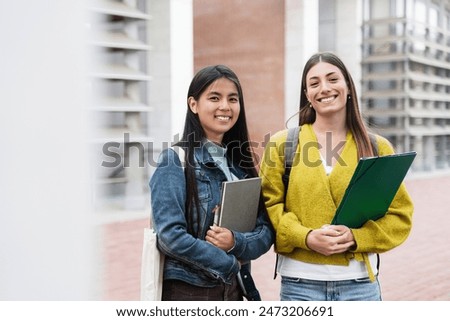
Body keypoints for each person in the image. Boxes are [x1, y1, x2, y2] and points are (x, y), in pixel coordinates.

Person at [259, 52, 414, 301]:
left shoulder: (377, 147)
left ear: (348, 87)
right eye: (314, 83)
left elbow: (400, 216)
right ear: (307, 95)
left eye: (333, 79)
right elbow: (268, 208)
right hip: (300, 285)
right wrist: (306, 238)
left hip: (360, 285)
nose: (325, 88)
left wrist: (356, 237)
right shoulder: (282, 144)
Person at [150, 64, 274, 301]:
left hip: (235, 290)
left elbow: (265, 231)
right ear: (193, 104)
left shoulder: (241, 164)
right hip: (190, 292)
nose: (225, 107)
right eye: (214, 98)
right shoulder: (175, 161)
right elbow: (170, 236)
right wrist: (228, 262)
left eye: (233, 99)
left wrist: (234, 242)